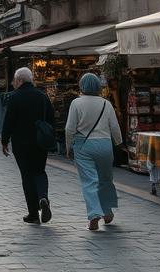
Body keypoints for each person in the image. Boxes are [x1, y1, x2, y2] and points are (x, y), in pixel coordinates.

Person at [65, 72, 123, 231]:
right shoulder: (106, 103)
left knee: (90, 181)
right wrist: (119, 143)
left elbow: (70, 128)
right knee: (106, 178)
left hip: (84, 145)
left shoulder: (76, 103)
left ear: (81, 86)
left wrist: (68, 147)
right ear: (98, 86)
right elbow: (114, 127)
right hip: (104, 144)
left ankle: (94, 215)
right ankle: (108, 211)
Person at [1, 67, 55, 225]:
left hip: (21, 143)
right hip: (40, 142)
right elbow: (51, 118)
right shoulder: (42, 96)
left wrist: (4, 140)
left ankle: (33, 213)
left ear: (19, 80)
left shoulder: (14, 97)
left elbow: (8, 121)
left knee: (27, 175)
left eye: (14, 80)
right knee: (39, 171)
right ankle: (43, 197)